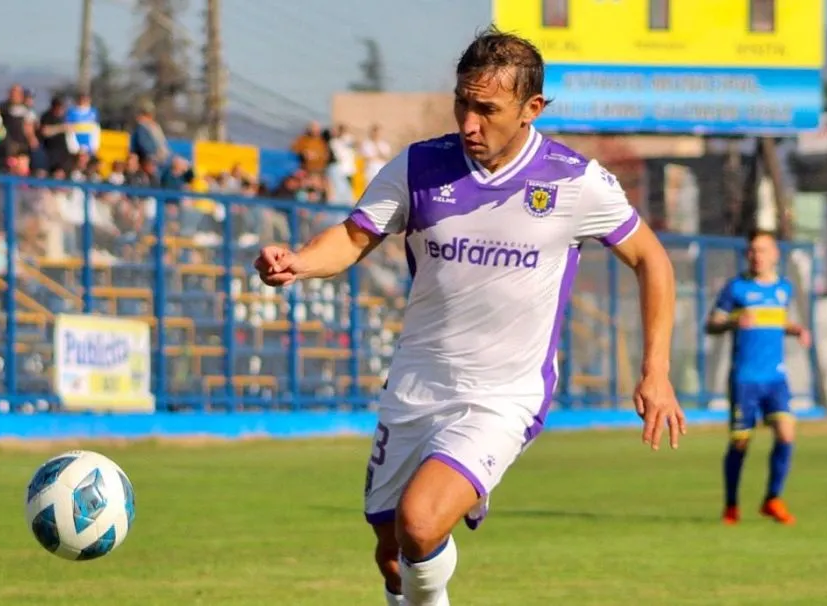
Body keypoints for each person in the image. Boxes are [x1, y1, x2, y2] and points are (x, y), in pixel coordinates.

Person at [255, 27, 686, 606]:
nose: (469, 122)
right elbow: (355, 238)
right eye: (463, 102)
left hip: (503, 395)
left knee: (420, 522)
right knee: (392, 555)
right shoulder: (418, 166)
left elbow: (652, 261)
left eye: (487, 108)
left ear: (532, 109)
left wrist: (655, 370)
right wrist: (299, 263)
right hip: (415, 385)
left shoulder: (574, 181)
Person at [706, 230, 811, 526]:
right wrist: (731, 320)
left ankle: (772, 499)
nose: (756, 256)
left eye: (761, 250)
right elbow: (711, 324)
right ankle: (731, 504)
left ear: (775, 254)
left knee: (787, 433)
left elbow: (776, 320)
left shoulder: (783, 289)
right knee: (741, 443)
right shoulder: (735, 288)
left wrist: (797, 330)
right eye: (751, 251)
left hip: (776, 378)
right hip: (745, 379)